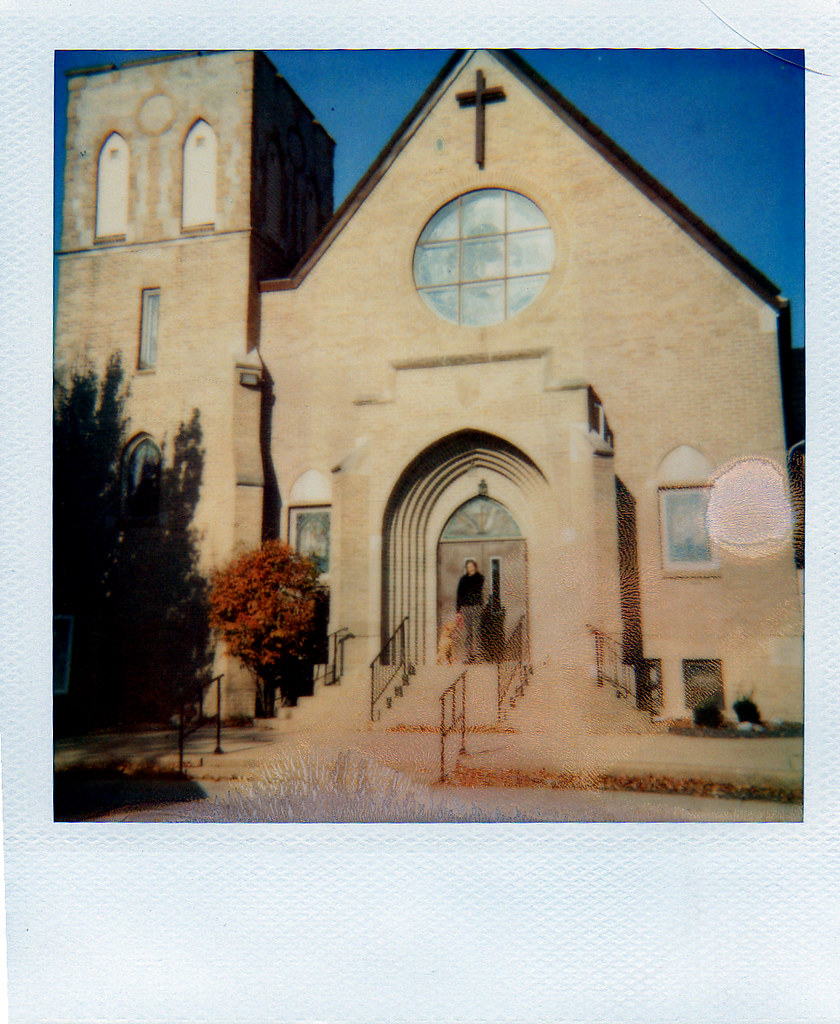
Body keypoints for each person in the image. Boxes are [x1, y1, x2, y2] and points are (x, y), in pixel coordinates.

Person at [456, 559, 484, 662]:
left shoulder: (480, 578)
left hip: (476, 607)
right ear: (466, 568)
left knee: (477, 632)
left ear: (475, 567)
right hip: (466, 608)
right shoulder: (463, 580)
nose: (470, 568)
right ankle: (469, 657)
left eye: (472, 566)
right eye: (468, 566)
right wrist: (458, 611)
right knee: (468, 633)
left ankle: (478, 656)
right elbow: (459, 595)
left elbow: (478, 589)